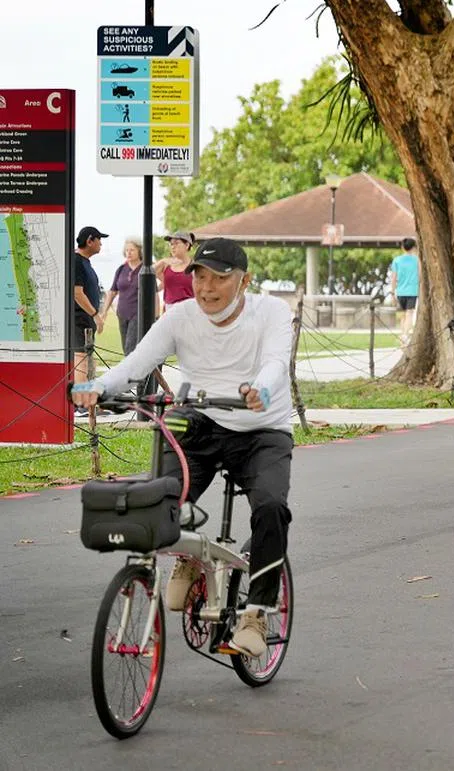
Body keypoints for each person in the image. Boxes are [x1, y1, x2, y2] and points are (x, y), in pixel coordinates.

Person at [72, 238, 294, 658]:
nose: (207, 288)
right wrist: (99, 386)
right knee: (162, 494)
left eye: (220, 279)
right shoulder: (181, 317)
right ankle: (189, 556)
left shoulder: (271, 312)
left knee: (270, 508)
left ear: (244, 281)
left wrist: (260, 390)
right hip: (202, 419)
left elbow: (275, 362)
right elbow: (137, 362)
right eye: (200, 276)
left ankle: (257, 613)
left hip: (262, 428)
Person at [71, 226, 108, 397]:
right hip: (80, 319)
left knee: (86, 358)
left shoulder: (85, 261)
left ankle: (86, 400)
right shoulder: (77, 261)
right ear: (90, 241)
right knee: (81, 360)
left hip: (86, 320)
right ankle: (81, 402)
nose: (101, 243)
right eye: (99, 239)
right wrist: (96, 315)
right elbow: (77, 293)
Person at [100, 237, 149, 357]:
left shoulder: (145, 269)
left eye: (132, 250)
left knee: (130, 348)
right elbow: (112, 292)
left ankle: (130, 375)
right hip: (122, 314)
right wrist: (104, 312)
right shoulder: (121, 269)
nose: (129, 253)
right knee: (126, 348)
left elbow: (154, 289)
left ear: (140, 251)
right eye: (127, 250)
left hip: (138, 314)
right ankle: (135, 373)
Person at [388, 237, 420, 339]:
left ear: (403, 247)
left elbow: (393, 278)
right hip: (412, 291)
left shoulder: (396, 260)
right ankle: (405, 335)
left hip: (400, 291)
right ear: (414, 247)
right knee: (410, 313)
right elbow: (420, 276)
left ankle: (403, 335)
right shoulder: (417, 260)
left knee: (403, 315)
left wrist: (392, 293)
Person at [156, 230, 196, 309]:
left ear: (187, 245)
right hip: (169, 310)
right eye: (171, 244)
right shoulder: (165, 264)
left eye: (176, 243)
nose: (173, 246)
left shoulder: (194, 266)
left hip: (189, 309)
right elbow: (147, 273)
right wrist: (162, 261)